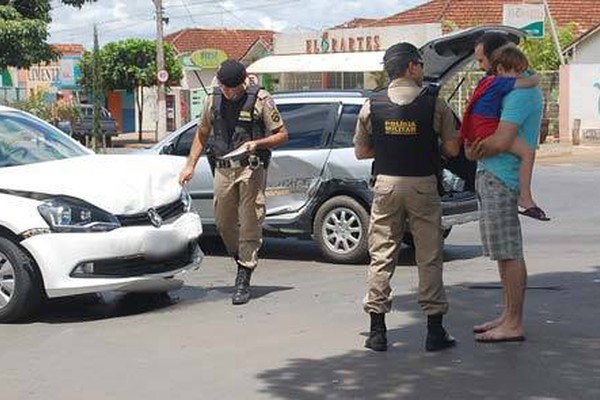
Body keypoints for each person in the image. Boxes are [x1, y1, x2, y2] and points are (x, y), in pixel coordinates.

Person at [354, 42, 460, 352]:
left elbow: (361, 151)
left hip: (385, 185)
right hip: (423, 185)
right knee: (428, 256)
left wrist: (390, 147)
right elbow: (452, 150)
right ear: (412, 67)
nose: (423, 71)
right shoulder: (434, 104)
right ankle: (434, 331)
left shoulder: (371, 105)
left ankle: (377, 331)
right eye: (420, 65)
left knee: (382, 256)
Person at [179, 59, 288, 305]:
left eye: (233, 89)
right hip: (223, 168)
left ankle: (244, 274)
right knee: (223, 222)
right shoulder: (213, 99)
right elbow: (202, 133)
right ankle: (241, 257)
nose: (228, 93)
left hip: (251, 167)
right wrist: (190, 165)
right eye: (224, 87)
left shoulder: (261, 99)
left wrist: (257, 144)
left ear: (242, 83)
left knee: (250, 219)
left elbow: (282, 134)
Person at [466, 32, 544, 342]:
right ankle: (507, 313)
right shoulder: (506, 87)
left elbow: (500, 141)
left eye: (483, 60)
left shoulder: (519, 92)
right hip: (493, 174)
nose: (481, 66)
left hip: (502, 177)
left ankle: (514, 322)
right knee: (502, 252)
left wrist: (473, 150)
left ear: (499, 58)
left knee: (509, 251)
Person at [461, 43, 549, 221]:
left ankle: (525, 197)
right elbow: (530, 82)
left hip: (476, 127)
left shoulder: (485, 82)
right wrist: (535, 76)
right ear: (500, 68)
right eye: (516, 71)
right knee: (528, 152)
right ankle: (525, 197)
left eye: (481, 60)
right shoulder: (501, 82)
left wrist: (470, 152)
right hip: (486, 128)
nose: (481, 66)